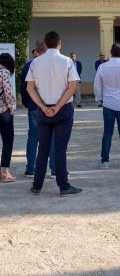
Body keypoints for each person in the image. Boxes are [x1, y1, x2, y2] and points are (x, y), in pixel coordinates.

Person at [26, 31, 82, 196]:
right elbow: (72, 87)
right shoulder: (67, 61)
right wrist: (57, 107)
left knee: (42, 147)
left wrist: (44, 107)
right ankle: (63, 186)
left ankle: (37, 185)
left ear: (45, 43)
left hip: (43, 111)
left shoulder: (35, 62)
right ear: (60, 43)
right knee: (60, 149)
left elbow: (30, 88)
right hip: (63, 109)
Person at [20, 39, 56, 177]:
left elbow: (24, 88)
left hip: (34, 106)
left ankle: (30, 168)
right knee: (53, 137)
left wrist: (27, 102)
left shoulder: (29, 65)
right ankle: (53, 169)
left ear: (36, 49)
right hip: (51, 105)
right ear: (47, 48)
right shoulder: (54, 63)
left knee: (33, 137)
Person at [0, 53, 16, 182]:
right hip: (2, 111)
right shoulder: (4, 72)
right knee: (8, 140)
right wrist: (11, 107)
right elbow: (8, 92)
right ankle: (4, 173)